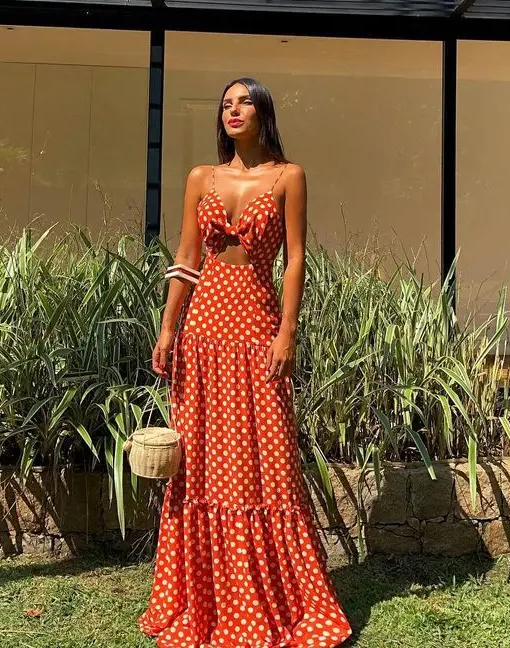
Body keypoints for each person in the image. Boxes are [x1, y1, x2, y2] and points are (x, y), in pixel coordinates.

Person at [138, 77, 352, 648]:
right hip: (203, 331)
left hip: (258, 328)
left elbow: (295, 259)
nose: (233, 110)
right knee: (201, 461)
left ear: (263, 113)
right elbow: (187, 256)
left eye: (244, 102)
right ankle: (204, 599)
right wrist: (167, 328)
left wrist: (287, 332)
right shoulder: (200, 178)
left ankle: (271, 597)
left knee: (266, 459)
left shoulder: (288, 177)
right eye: (226, 104)